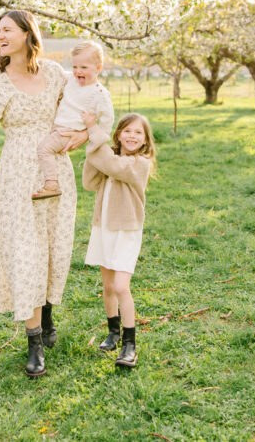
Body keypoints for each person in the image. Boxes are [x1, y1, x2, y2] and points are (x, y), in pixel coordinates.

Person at [0, 10, 87, 378]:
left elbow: (86, 105)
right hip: (16, 177)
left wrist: (80, 137)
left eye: (7, 30)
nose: (0, 36)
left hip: (55, 172)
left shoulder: (55, 74)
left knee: (53, 249)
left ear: (29, 34)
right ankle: (33, 341)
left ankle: (46, 313)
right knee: (27, 253)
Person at [81, 111, 157, 369]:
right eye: (127, 131)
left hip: (126, 231)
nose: (132, 136)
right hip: (104, 229)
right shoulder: (109, 158)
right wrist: (95, 151)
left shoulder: (140, 163)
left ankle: (129, 344)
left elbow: (114, 167)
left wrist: (93, 132)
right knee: (108, 286)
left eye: (138, 132)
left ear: (145, 140)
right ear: (118, 135)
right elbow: (89, 182)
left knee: (122, 287)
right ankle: (113, 332)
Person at [32, 40, 114, 200]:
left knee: (44, 149)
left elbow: (107, 119)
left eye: (84, 67)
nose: (78, 71)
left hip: (68, 132)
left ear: (98, 68)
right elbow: (57, 72)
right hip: (58, 128)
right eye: (75, 66)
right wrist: (38, 62)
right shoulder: (71, 80)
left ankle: (51, 184)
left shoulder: (99, 94)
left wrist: (93, 135)